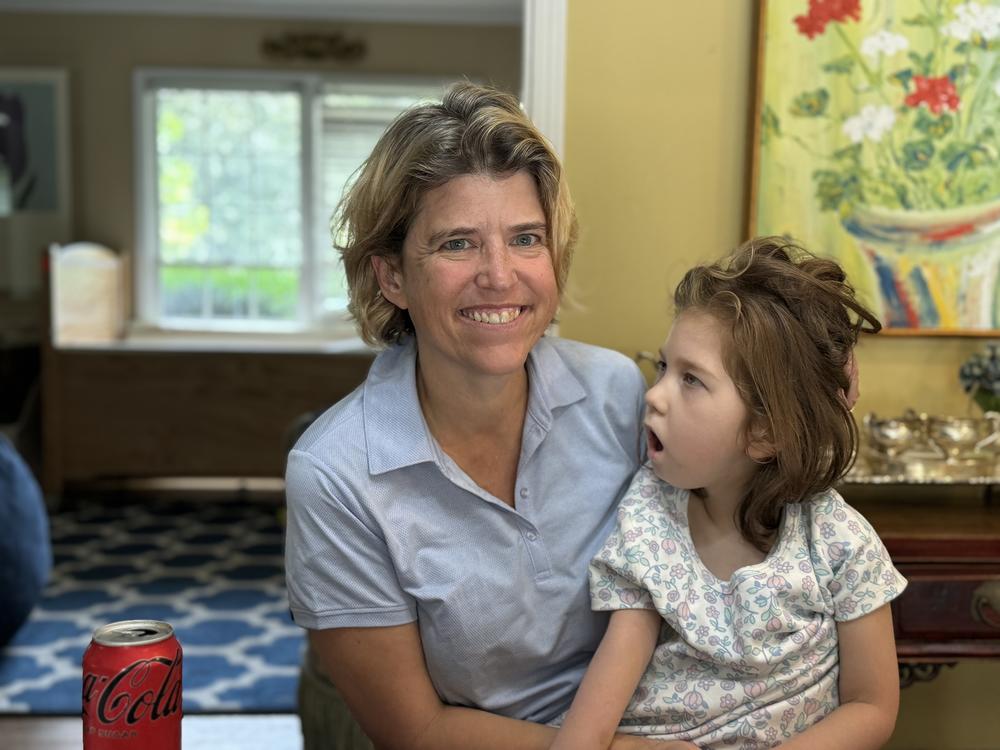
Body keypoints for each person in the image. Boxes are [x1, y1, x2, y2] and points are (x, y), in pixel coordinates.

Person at [284, 81, 699, 750]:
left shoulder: (619, 392)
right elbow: (417, 731)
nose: (500, 276)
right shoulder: (334, 475)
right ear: (392, 278)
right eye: (457, 245)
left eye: (525, 238)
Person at [551, 238, 905, 750]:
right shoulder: (651, 513)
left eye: (691, 379)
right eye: (663, 367)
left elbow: (872, 706)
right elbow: (605, 690)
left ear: (765, 433)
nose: (654, 394)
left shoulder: (841, 544)